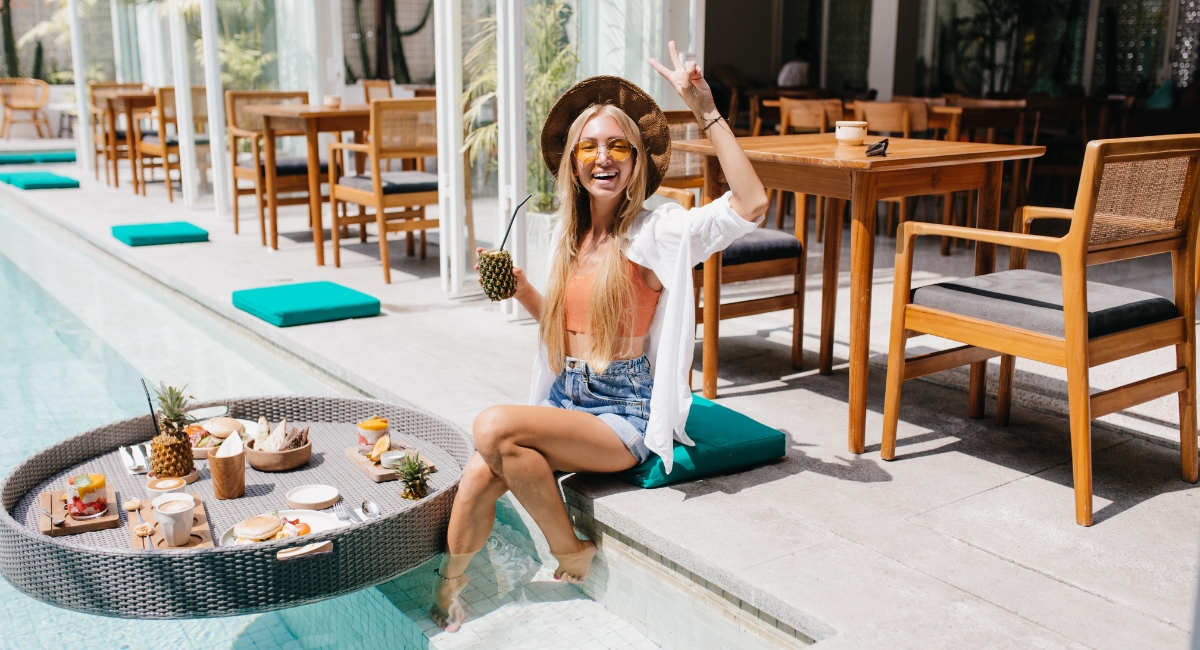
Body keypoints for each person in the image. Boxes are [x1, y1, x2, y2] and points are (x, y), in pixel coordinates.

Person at [429, 41, 770, 632]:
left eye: (618, 146)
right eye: (590, 146)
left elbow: (752, 203)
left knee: (492, 427)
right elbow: (564, 337)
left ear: (636, 161)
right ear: (573, 161)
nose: (603, 157)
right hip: (570, 397)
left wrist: (706, 109)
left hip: (622, 412)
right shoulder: (569, 235)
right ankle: (449, 587)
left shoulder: (659, 231)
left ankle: (569, 550)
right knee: (483, 470)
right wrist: (523, 291)